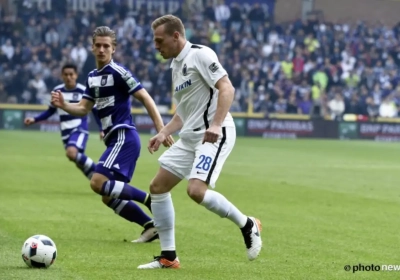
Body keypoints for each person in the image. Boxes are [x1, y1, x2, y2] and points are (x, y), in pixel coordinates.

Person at [137, 15, 262, 269]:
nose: (156, 46)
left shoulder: (201, 55)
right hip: (190, 135)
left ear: (176, 36)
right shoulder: (175, 66)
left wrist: (215, 125)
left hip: (214, 132)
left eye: (159, 41)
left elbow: (227, 88)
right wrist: (163, 132)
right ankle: (168, 258)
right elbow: (184, 112)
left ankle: (248, 224)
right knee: (158, 187)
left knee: (195, 191)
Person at [51, 26, 174, 243]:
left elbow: (146, 98)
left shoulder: (119, 72)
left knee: (97, 182)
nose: (101, 49)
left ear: (113, 49)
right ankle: (150, 226)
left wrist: (161, 130)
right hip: (113, 140)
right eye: (97, 45)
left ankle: (149, 200)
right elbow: (83, 108)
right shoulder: (91, 77)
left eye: (106, 46)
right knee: (108, 197)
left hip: (123, 136)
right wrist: (64, 104)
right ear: (92, 47)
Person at [24, 63, 102, 180]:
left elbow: (95, 111)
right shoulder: (57, 90)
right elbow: (51, 111)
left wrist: (102, 129)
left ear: (76, 75)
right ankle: (98, 182)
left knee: (71, 153)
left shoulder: (83, 91)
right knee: (76, 159)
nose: (68, 77)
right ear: (62, 76)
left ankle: (101, 175)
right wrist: (35, 119)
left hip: (79, 128)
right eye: (65, 74)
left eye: (71, 74)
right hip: (65, 132)